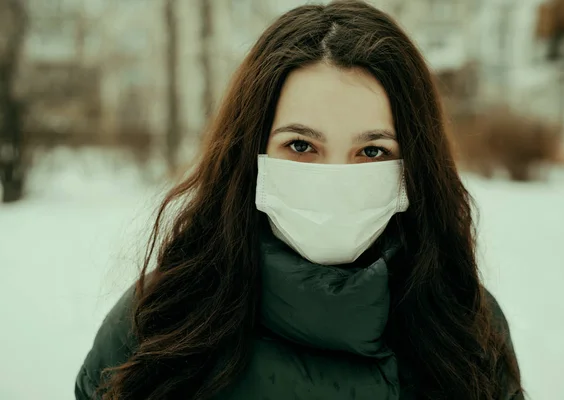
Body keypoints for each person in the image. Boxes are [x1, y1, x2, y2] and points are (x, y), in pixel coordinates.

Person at [75, 1, 524, 399]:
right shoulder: (160, 322)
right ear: (251, 152)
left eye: (372, 151)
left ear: (414, 169)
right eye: (301, 146)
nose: (333, 180)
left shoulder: (466, 326)